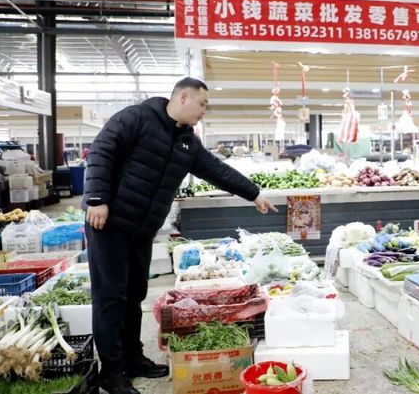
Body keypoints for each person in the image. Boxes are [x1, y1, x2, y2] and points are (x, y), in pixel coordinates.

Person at [83, 77, 276, 394]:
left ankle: (132, 358)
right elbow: (102, 150)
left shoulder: (187, 141)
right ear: (183, 97)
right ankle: (112, 371)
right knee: (110, 298)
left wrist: (253, 193)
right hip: (109, 223)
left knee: (134, 294)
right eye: (202, 104)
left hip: (141, 230)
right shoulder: (137, 117)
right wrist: (96, 198)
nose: (204, 111)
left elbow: (215, 170)